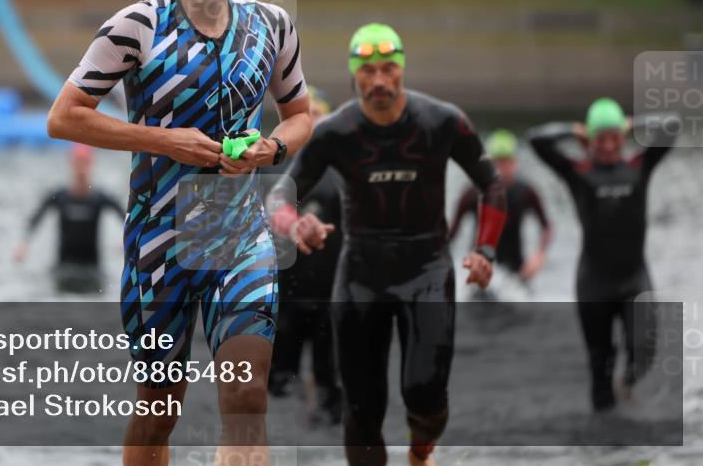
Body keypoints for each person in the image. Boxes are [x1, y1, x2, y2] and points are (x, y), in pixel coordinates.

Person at [46, 0, 313, 466]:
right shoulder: (135, 27)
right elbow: (63, 116)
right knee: (159, 408)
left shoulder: (272, 25)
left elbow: (300, 117)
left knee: (246, 395)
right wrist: (165, 140)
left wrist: (269, 150)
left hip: (239, 235)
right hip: (158, 242)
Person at [267, 23, 506, 466]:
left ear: (401, 70)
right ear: (354, 75)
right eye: (368, 71)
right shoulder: (335, 132)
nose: (379, 81)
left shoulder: (443, 121)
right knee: (361, 411)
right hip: (361, 277)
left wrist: (486, 250)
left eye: (388, 70)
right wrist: (295, 225)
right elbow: (280, 194)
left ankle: (420, 452)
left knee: (425, 393)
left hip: (428, 270)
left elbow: (491, 184)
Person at [527, 98, 678, 411]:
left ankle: (629, 385)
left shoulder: (640, 165)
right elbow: (535, 140)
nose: (608, 146)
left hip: (634, 278)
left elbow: (672, 125)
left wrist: (634, 123)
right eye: (601, 139)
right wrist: (573, 129)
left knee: (645, 348)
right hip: (594, 283)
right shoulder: (577, 171)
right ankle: (602, 446)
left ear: (623, 138)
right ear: (589, 141)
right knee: (600, 365)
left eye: (614, 137)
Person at [268, 87, 343, 426]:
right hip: (285, 296)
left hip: (331, 296)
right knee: (279, 383)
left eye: (316, 116)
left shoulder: (342, 176)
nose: (310, 123)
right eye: (304, 116)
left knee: (331, 385)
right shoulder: (273, 171)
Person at [447, 129, 553, 295]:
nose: (503, 168)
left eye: (507, 162)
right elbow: (451, 235)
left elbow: (546, 227)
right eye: (498, 162)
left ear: (515, 162)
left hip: (517, 273)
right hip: (479, 273)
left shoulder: (525, 192)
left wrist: (539, 256)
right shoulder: (472, 194)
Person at [13, 143, 125, 293]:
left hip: (92, 271)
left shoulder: (100, 198)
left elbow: (127, 218)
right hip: (63, 270)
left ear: (92, 165)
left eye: (85, 163)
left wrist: (126, 239)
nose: (81, 168)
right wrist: (24, 244)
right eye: (78, 163)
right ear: (71, 164)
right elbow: (36, 218)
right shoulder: (59, 197)